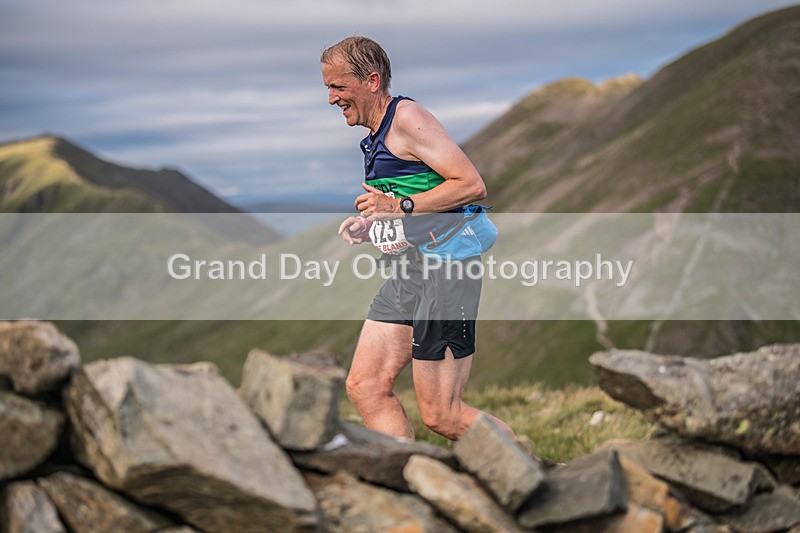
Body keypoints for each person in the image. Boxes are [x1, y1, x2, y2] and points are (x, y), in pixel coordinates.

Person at [321, 36, 515, 441]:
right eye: (328, 88)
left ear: (372, 81)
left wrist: (399, 209)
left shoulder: (407, 118)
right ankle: (404, 484)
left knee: (443, 415)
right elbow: (412, 196)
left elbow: (470, 184)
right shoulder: (376, 134)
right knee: (366, 387)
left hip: (447, 269)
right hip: (411, 270)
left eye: (338, 87)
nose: (331, 98)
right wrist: (375, 223)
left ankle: (533, 477)